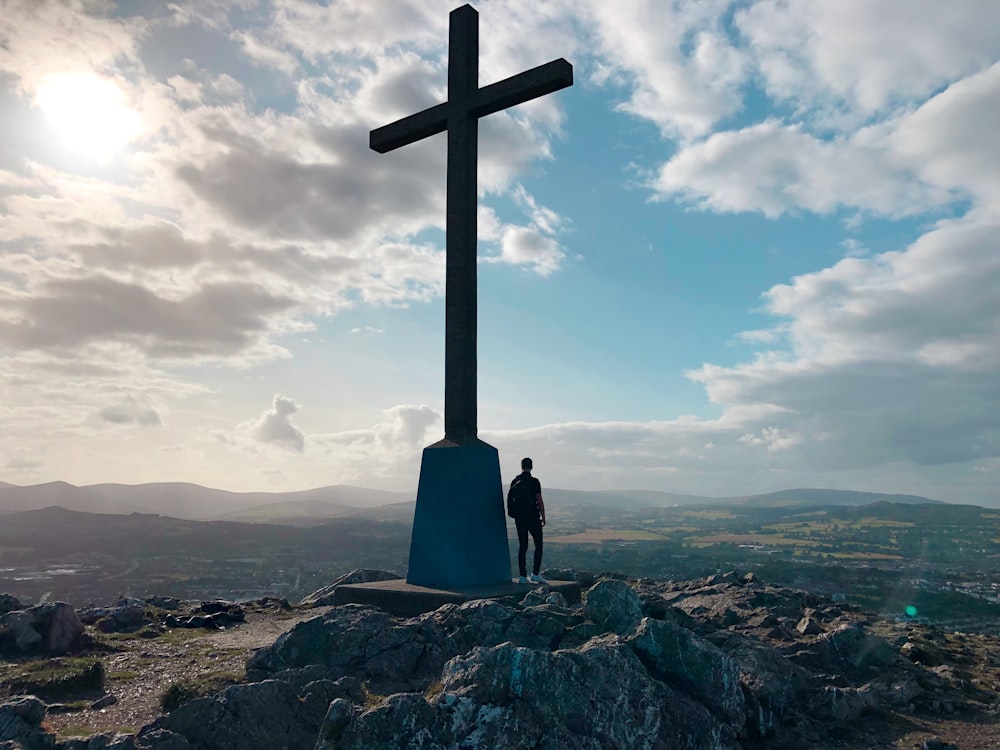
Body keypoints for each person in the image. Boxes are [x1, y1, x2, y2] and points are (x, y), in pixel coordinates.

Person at [507, 456, 546, 584]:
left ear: (521, 466)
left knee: (523, 546)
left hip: (520, 518)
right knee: (538, 544)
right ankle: (535, 573)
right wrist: (543, 516)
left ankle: (523, 576)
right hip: (533, 517)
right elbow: (539, 500)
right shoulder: (534, 481)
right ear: (532, 466)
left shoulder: (515, 481)